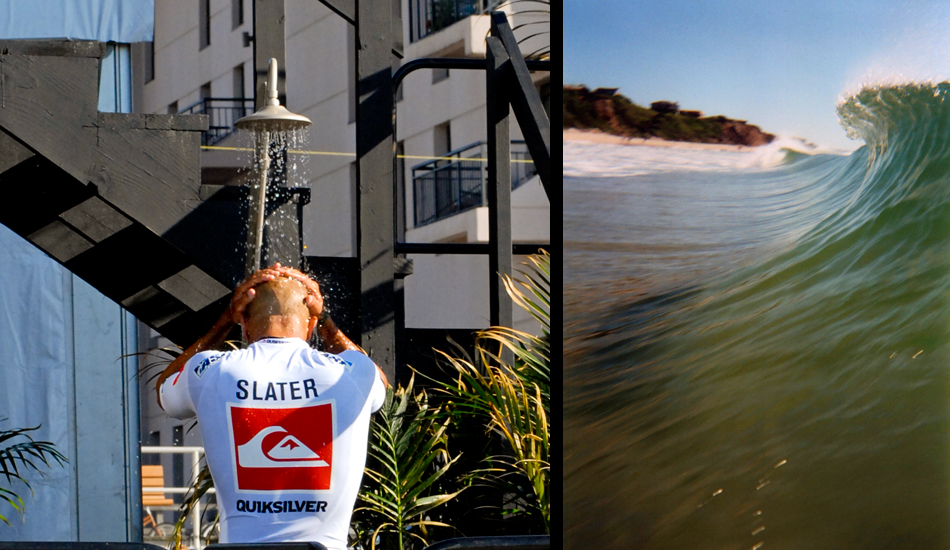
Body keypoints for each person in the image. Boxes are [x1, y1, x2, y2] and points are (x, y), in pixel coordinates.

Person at [156, 263, 389, 549]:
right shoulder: (352, 374)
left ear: (244, 324)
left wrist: (224, 320)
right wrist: (327, 322)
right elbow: (380, 382)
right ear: (311, 323)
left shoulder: (213, 371)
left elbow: (164, 390)